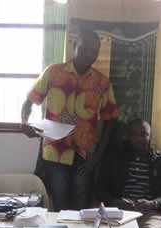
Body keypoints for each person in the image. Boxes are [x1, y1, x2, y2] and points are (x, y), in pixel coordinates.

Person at [18, 29, 120, 211]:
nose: (90, 54)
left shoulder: (102, 83)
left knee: (81, 211)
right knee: (58, 208)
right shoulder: (53, 73)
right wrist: (25, 123)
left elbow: (111, 120)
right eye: (85, 48)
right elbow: (29, 102)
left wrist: (97, 157)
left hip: (85, 157)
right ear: (74, 46)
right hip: (55, 154)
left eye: (95, 50)